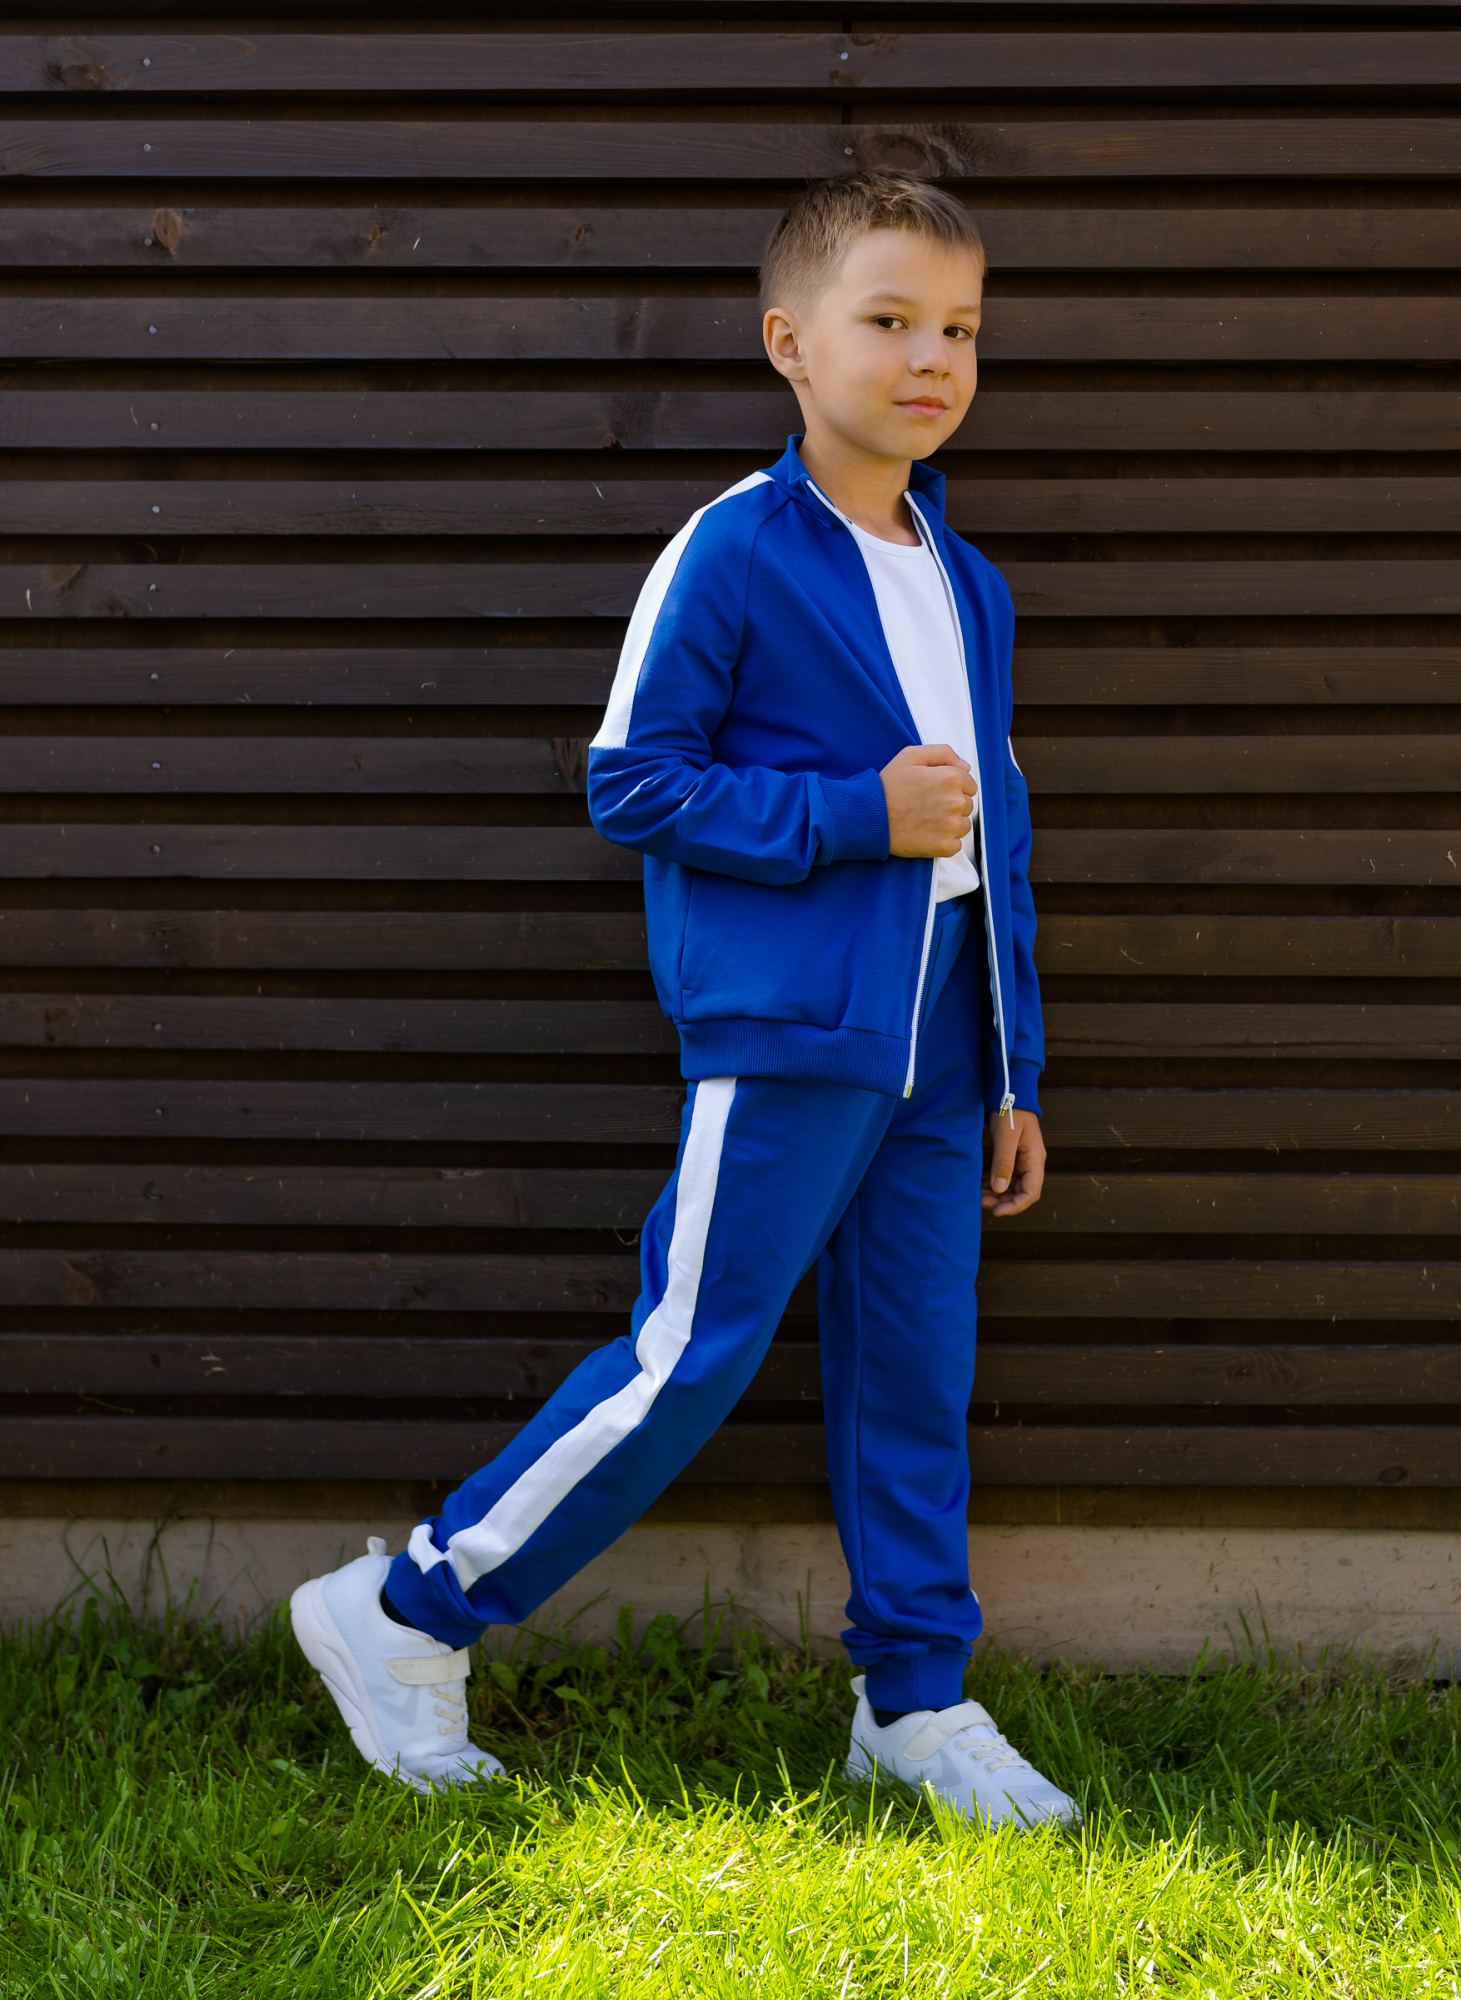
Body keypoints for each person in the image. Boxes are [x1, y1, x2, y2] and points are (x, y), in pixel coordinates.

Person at [288, 167, 1077, 1831]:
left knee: (914, 1373)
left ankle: (912, 1701)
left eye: (958, 330)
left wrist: (1015, 1065)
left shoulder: (968, 577)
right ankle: (408, 1609)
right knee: (689, 1352)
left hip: (942, 1041)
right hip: (793, 1026)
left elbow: (991, 831)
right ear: (789, 343)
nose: (929, 359)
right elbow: (631, 782)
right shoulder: (734, 548)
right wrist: (851, 815)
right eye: (888, 321)